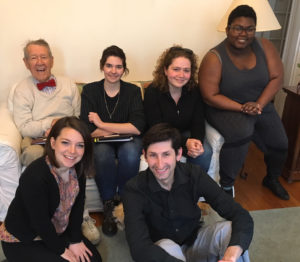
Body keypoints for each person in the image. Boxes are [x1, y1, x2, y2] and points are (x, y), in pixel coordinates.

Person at [12, 39, 100, 245]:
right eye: (34, 57)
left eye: (44, 56)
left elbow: (78, 115)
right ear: (26, 62)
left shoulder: (68, 84)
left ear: (51, 60)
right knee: (36, 159)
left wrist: (63, 131)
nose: (40, 62)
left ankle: (81, 216)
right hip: (37, 140)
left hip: (67, 136)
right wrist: (49, 125)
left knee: (76, 154)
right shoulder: (21, 89)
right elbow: (24, 125)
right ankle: (47, 220)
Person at [123, 123, 253, 262]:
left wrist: (230, 257)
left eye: (166, 154)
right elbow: (139, 249)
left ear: (178, 154)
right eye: (153, 155)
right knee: (165, 245)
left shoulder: (194, 174)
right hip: (163, 254)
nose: (160, 164)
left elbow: (240, 215)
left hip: (195, 241)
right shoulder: (134, 189)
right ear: (145, 156)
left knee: (230, 231)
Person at [198, 5, 289, 200]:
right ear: (228, 29)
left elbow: (277, 77)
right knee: (241, 132)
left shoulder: (265, 47)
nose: (244, 33)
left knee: (280, 143)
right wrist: (242, 107)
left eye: (249, 29)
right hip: (224, 107)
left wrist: (259, 105)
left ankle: (271, 178)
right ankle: (226, 185)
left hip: (260, 105)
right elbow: (209, 95)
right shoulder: (214, 57)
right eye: (238, 28)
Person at [0, 117, 102, 262]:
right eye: (65, 143)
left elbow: (78, 206)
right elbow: (39, 222)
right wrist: (60, 250)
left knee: (94, 260)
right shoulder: (35, 175)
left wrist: (75, 240)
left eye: (80, 145)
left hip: (56, 230)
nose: (72, 151)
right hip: (24, 239)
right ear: (53, 143)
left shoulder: (78, 169)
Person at [80, 45, 145, 236]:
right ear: (102, 66)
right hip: (102, 143)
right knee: (101, 154)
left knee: (131, 152)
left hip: (128, 141)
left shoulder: (132, 91)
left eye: (118, 67)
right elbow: (87, 129)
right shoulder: (90, 91)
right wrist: (119, 127)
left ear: (124, 69)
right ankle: (108, 205)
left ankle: (124, 204)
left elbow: (138, 126)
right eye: (109, 66)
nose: (113, 71)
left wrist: (101, 124)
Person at [144, 46, 212, 172]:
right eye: (176, 69)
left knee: (204, 152)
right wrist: (186, 142)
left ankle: (194, 189)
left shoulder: (194, 91)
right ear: (165, 70)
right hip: (159, 137)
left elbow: (198, 122)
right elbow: (157, 128)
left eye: (186, 70)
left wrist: (196, 142)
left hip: (184, 135)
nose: (181, 75)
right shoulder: (152, 92)